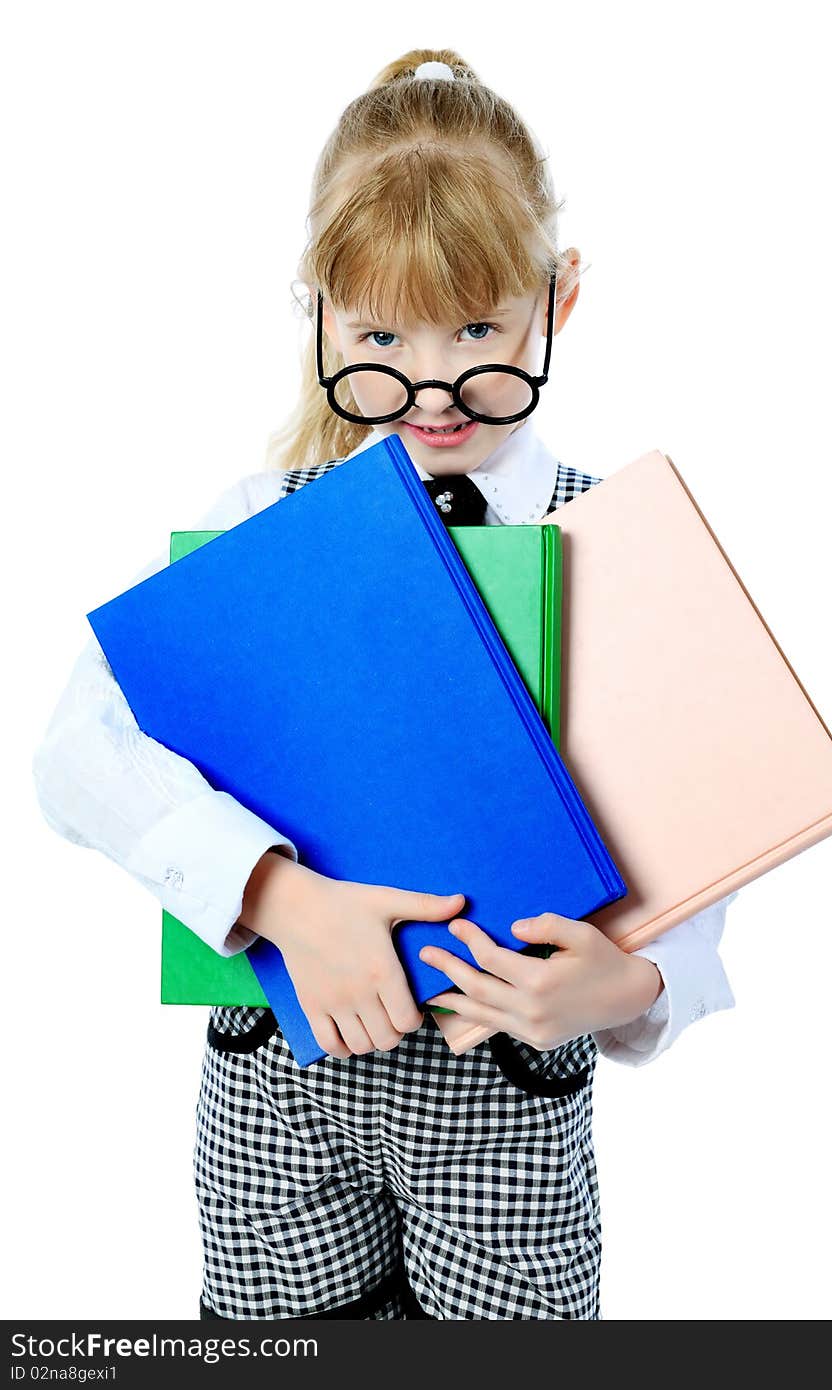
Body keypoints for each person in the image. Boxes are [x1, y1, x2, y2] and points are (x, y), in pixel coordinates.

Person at [31, 48, 738, 1321]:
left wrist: (627, 984)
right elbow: (77, 754)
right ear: (319, 315)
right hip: (275, 1114)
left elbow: (691, 849)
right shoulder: (258, 527)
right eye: (380, 335)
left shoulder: (610, 550)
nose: (433, 385)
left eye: (477, 329)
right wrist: (277, 895)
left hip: (507, 1119)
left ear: (554, 301)